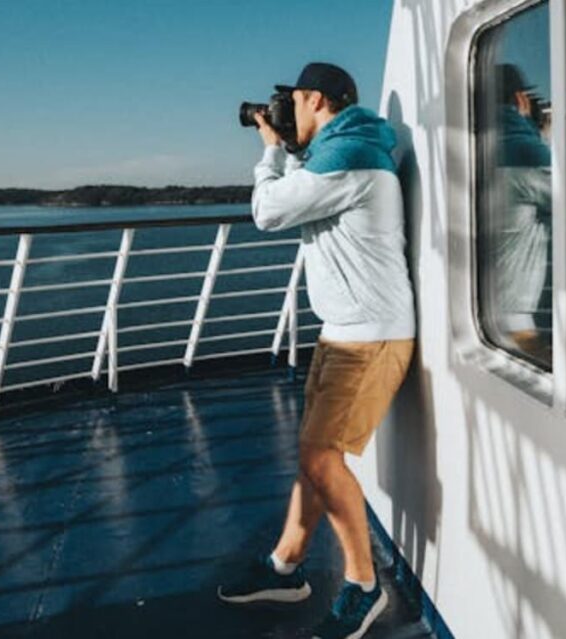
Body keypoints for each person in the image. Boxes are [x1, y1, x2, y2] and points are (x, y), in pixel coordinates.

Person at [217, 62, 416, 639]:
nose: (287, 115)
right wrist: (288, 147)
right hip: (346, 332)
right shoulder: (346, 150)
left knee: (323, 461)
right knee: (313, 457)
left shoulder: (348, 158)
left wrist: (269, 152)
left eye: (294, 103)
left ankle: (363, 586)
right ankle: (286, 565)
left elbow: (267, 211)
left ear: (318, 101)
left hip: (369, 337)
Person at [487, 63, 553, 364]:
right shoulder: (526, 152)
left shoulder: (473, 146)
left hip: (476, 309)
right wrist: (539, 136)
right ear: (520, 100)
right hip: (513, 320)